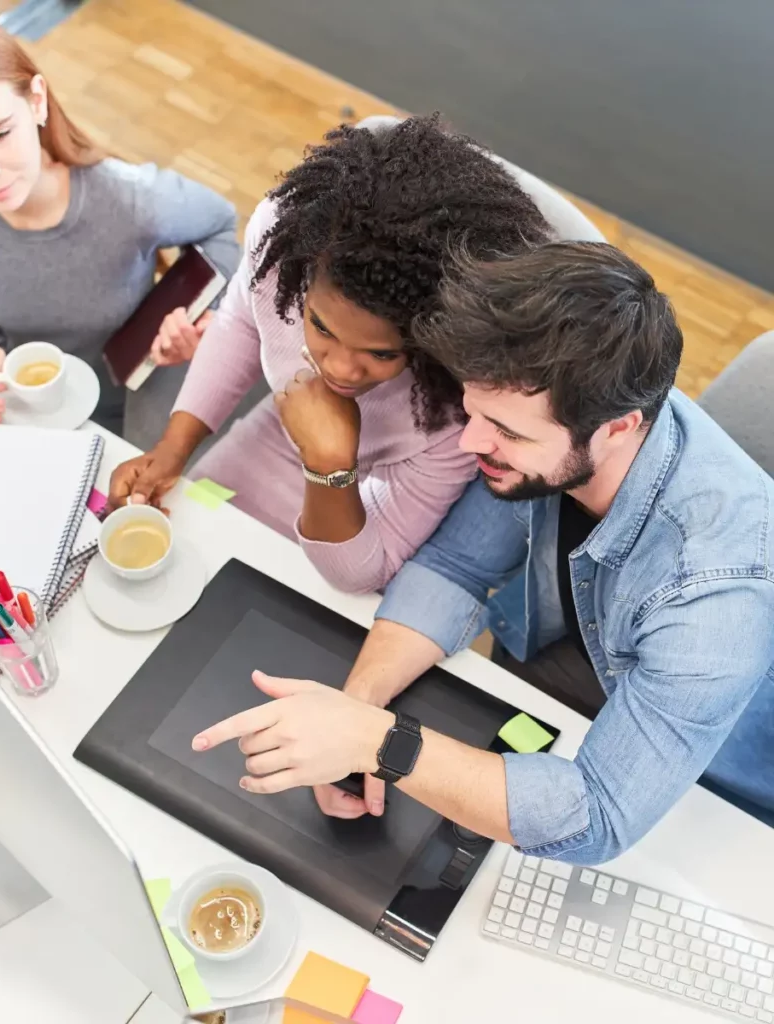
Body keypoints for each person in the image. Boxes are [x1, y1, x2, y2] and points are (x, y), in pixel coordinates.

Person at [192, 241, 774, 863]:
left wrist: (379, 744)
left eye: (506, 432)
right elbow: (455, 567)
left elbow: (597, 815)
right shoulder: (570, 407)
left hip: (724, 789)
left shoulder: (714, 597)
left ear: (616, 428)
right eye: (475, 411)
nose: (472, 441)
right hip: (577, 652)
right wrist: (354, 706)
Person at [109, 116, 552, 594]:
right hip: (279, 436)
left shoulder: (463, 405)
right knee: (185, 551)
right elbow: (241, 320)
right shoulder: (286, 249)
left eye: (382, 353)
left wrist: (329, 467)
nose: (339, 369)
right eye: (320, 325)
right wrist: (174, 446)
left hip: (362, 496)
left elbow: (362, 573)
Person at [0, 12, 239, 440]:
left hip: (137, 402)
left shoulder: (129, 199)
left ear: (36, 101)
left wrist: (209, 313)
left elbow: (223, 222)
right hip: (34, 408)